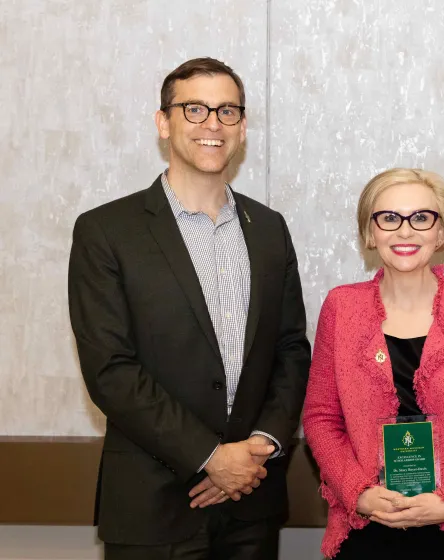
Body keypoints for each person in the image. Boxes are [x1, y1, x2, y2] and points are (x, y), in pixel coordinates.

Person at [68, 57, 311, 559]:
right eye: (195, 109)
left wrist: (256, 449)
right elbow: (110, 370)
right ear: (164, 122)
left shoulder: (268, 229)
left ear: (242, 128)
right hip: (153, 505)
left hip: (252, 500)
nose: (212, 125)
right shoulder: (107, 232)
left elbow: (291, 349)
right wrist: (209, 457)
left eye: (226, 112)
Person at [302, 168, 444, 559]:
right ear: (370, 233)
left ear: (441, 233)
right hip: (369, 524)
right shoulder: (340, 307)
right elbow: (320, 417)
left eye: (421, 218)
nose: (405, 231)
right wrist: (360, 494)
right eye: (389, 218)